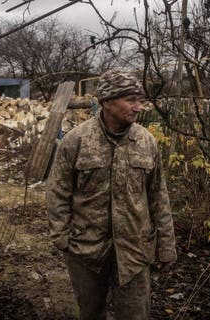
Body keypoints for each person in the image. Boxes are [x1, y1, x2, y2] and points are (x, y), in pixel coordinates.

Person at [46, 70, 177, 320]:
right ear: (107, 102)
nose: (138, 107)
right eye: (130, 100)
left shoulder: (146, 142)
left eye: (139, 100)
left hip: (134, 251)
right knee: (90, 313)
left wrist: (166, 247)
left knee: (135, 315)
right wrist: (63, 239)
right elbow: (57, 193)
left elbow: (159, 197)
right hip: (86, 250)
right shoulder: (76, 141)